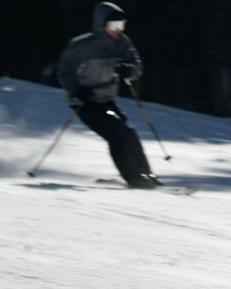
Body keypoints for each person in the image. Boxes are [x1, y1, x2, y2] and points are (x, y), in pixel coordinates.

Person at [57, 2, 162, 189]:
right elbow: (64, 72)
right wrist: (77, 90)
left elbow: (136, 66)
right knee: (116, 133)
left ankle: (146, 174)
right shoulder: (81, 46)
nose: (117, 31)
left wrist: (127, 70)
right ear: (100, 25)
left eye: (121, 26)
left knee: (129, 133)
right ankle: (133, 178)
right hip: (84, 101)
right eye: (113, 26)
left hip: (106, 98)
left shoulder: (122, 43)